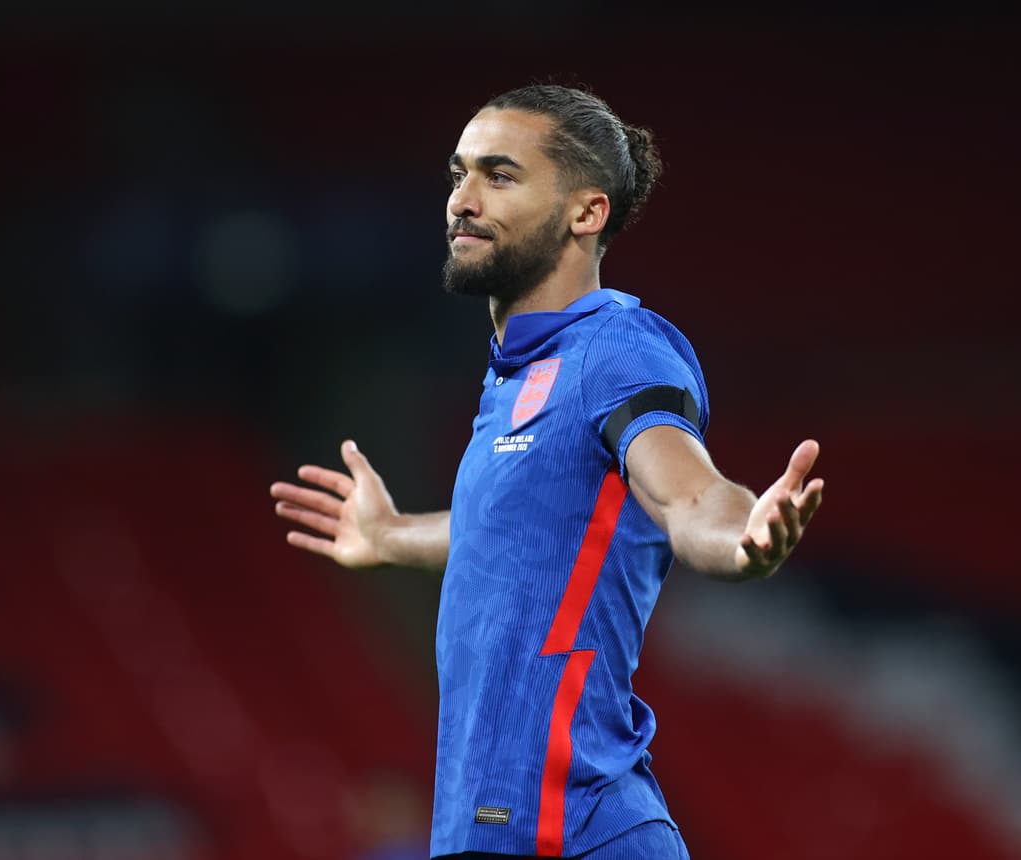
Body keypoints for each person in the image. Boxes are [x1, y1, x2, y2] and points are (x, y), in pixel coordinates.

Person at [270, 85, 824, 860]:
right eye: (457, 174)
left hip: (575, 826)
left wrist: (737, 538)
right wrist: (395, 534)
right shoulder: (517, 373)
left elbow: (688, 487)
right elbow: (522, 529)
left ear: (585, 212)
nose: (463, 199)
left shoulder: (621, 351)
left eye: (499, 175)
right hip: (491, 827)